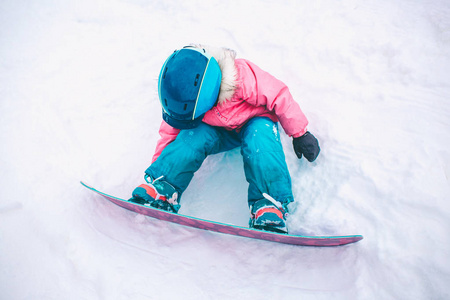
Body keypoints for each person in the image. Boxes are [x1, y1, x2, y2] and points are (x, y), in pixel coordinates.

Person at [129, 44, 320, 233]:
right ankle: (162, 187)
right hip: (216, 130)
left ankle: (270, 203)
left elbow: (278, 95)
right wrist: (162, 166)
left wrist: (300, 133)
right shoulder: (183, 103)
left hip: (254, 121)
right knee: (191, 136)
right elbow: (171, 134)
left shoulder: (241, 76)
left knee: (260, 142)